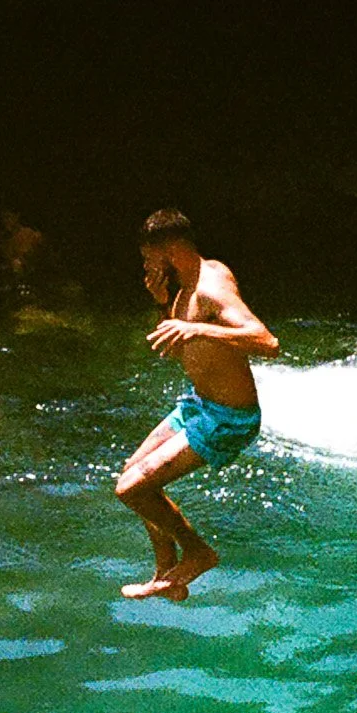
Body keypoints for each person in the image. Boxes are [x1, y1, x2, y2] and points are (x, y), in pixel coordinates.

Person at [115, 208, 279, 600]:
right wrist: (160, 303)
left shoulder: (210, 288)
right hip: (199, 405)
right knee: (134, 474)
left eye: (148, 257)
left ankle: (198, 553)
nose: (147, 265)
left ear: (168, 250)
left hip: (228, 418)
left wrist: (196, 326)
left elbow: (267, 341)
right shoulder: (186, 287)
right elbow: (176, 350)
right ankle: (166, 573)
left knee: (131, 490)